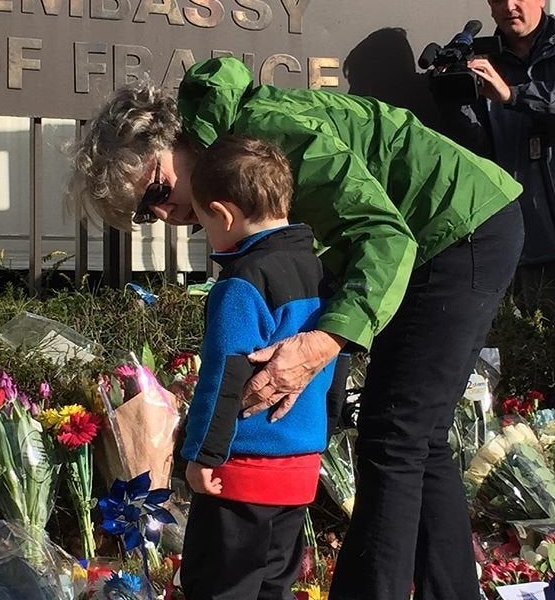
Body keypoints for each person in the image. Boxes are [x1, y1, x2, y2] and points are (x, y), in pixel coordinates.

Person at [72, 55, 524, 600]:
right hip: (445, 232)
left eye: (155, 190)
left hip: (459, 226)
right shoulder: (240, 162)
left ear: (174, 139)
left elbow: (385, 237)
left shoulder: (265, 137)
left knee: (395, 435)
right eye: (147, 214)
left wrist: (322, 343)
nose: (164, 213)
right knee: (415, 438)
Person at [179, 134, 342, 600]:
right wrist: (321, 433)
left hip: (241, 473)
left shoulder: (241, 284)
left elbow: (222, 376)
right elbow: (336, 360)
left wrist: (200, 456)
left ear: (224, 213)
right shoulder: (321, 271)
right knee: (275, 586)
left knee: (219, 587)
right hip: (298, 473)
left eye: (204, 222)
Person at [442, 0, 555, 320]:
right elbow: (479, 148)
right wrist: (450, 100)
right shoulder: (482, 58)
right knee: (528, 360)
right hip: (527, 240)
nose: (509, 7)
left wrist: (512, 96)